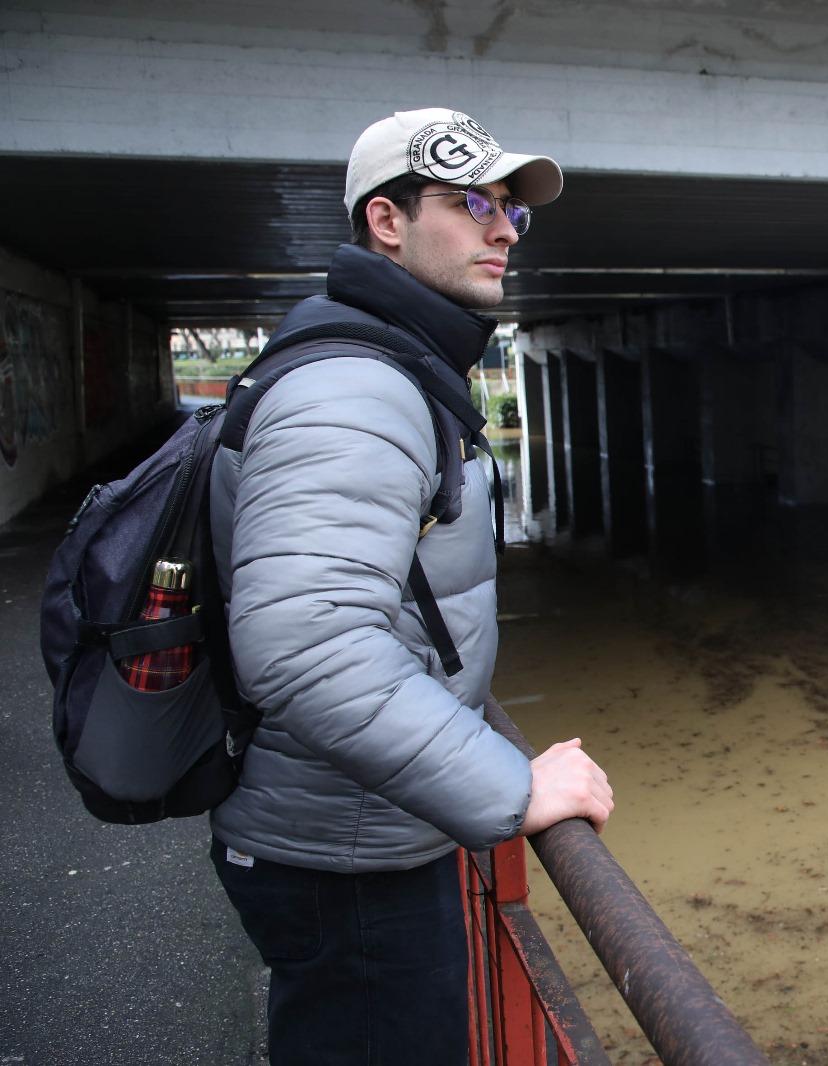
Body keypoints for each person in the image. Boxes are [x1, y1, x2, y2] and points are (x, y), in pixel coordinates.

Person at [206, 108, 614, 1065]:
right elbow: (307, 645)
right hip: (345, 862)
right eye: (475, 202)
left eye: (514, 209)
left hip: (355, 835)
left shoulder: (390, 366)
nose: (505, 228)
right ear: (386, 221)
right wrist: (508, 788)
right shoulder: (355, 390)